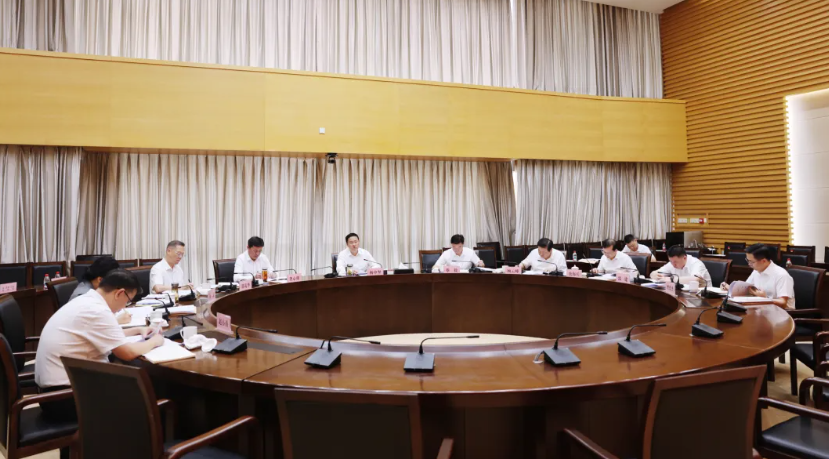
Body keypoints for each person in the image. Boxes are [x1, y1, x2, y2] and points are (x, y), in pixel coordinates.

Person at [35, 269, 164, 422]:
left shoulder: (88, 300)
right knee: (146, 392)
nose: (125, 306)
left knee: (135, 383)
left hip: (55, 392)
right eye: (128, 300)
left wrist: (137, 330)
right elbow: (127, 353)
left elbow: (103, 334)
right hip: (66, 398)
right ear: (119, 293)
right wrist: (155, 341)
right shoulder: (98, 310)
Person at [721, 244, 794, 309]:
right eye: (748, 260)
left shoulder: (781, 275)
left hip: (781, 314)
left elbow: (783, 303)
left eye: (752, 261)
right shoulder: (756, 271)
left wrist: (765, 298)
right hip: (762, 310)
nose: (749, 264)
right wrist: (731, 288)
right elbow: (746, 289)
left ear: (763, 261)